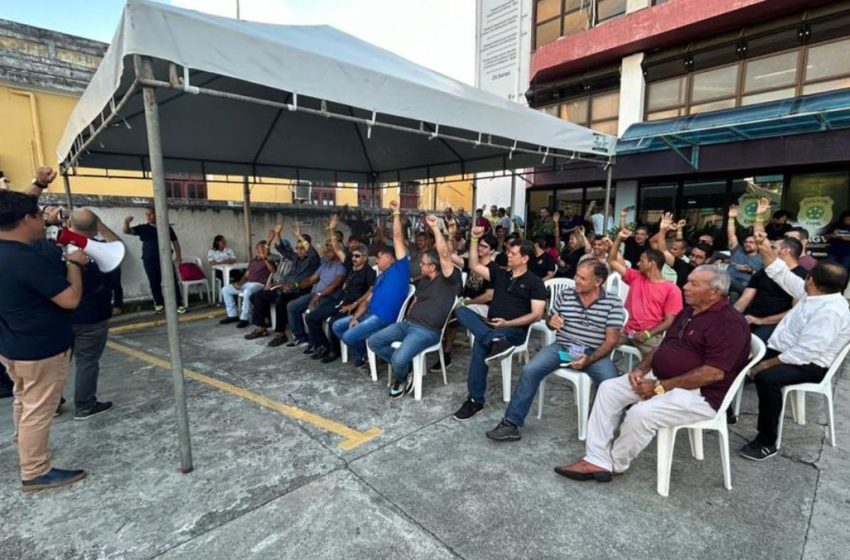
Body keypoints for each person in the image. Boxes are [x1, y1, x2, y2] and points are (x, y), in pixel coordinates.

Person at [554, 265, 750, 482]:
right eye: (688, 281)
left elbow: (713, 373)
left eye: (694, 284)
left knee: (641, 413)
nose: (685, 287)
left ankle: (614, 464)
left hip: (700, 395)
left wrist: (660, 386)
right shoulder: (689, 311)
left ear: (715, 292)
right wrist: (641, 369)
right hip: (662, 380)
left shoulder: (730, 323)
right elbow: (664, 347)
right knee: (609, 388)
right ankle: (596, 457)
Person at [0, 186, 89, 492]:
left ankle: (26, 447)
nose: (43, 220)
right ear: (26, 219)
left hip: (12, 344)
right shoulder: (24, 259)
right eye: (39, 215)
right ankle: (36, 470)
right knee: (39, 408)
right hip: (40, 348)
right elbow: (70, 299)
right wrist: (75, 264)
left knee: (24, 401)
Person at [739, 231, 850, 461]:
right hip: (787, 351)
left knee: (766, 378)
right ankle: (724, 412)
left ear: (812, 279)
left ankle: (767, 441)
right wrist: (763, 245)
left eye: (807, 276)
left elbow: (805, 353)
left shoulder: (831, 311)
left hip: (812, 364)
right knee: (737, 358)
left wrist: (764, 365)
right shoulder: (814, 294)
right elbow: (780, 272)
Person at [486, 260, 624, 440]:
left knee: (610, 383)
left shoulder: (612, 303)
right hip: (564, 349)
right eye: (576, 275)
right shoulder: (566, 295)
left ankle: (603, 432)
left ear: (597, 282)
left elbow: (611, 340)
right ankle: (511, 423)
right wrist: (552, 322)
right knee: (530, 370)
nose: (576, 280)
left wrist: (588, 360)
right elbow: (551, 321)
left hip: (595, 353)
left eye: (582, 278)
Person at [452, 230, 547, 421]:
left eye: (513, 254)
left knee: (480, 345)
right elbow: (473, 264)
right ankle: (492, 339)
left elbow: (536, 315)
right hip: (491, 327)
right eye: (508, 253)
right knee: (461, 310)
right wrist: (474, 239)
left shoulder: (535, 283)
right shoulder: (501, 274)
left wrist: (507, 323)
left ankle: (474, 400)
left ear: (525, 258)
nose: (508, 256)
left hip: (513, 330)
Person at [368, 205, 462, 398]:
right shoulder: (425, 280)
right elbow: (416, 300)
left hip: (427, 331)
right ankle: (406, 367)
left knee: (399, 357)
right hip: (408, 324)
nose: (420, 265)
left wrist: (435, 228)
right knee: (373, 341)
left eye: (424, 263)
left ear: (434, 266)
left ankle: (400, 377)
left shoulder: (450, 279)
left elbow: (444, 255)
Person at [331, 223, 410, 369]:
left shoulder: (400, 270)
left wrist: (396, 214)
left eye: (379, 257)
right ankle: (363, 354)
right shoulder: (380, 277)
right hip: (368, 315)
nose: (377, 260)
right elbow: (366, 300)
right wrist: (355, 318)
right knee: (336, 326)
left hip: (382, 318)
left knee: (348, 336)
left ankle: (401, 360)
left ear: (391, 259)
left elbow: (398, 238)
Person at [68, 208, 122, 420]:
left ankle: (52, 404)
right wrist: (99, 226)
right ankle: (84, 405)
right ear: (94, 226)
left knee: (58, 363)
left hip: (61, 315)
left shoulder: (53, 245)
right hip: (91, 316)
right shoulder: (98, 249)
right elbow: (119, 249)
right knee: (87, 362)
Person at [609, 228, 682, 356]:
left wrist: (648, 333)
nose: (637, 263)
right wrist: (619, 239)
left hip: (650, 336)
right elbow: (612, 261)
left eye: (642, 261)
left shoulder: (672, 289)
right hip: (626, 331)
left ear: (652, 264)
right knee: (601, 346)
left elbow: (669, 321)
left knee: (658, 362)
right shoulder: (635, 276)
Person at [431, 230, 497, 372]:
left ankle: (445, 352)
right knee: (442, 309)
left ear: (492, 251)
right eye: (480, 245)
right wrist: (450, 236)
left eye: (484, 246)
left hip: (483, 307)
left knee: (453, 314)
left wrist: (467, 303)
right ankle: (443, 351)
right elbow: (449, 255)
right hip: (465, 302)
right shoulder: (473, 263)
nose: (480, 248)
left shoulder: (493, 269)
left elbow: (488, 296)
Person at [244, 222, 319, 344]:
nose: (298, 251)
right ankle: (261, 328)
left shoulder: (313, 260)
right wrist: (278, 234)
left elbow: (312, 251)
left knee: (281, 300)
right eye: (297, 248)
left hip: (299, 291)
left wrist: (299, 237)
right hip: (283, 288)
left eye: (302, 248)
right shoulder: (295, 258)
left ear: (307, 249)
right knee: (257, 296)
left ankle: (280, 333)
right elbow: (282, 250)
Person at [308, 231, 376, 364]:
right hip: (339, 302)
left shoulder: (369, 272)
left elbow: (371, 291)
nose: (354, 258)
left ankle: (335, 351)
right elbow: (337, 249)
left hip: (352, 306)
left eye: (357, 256)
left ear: (365, 258)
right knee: (311, 317)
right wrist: (332, 229)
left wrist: (355, 304)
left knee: (333, 322)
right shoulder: (351, 267)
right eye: (353, 256)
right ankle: (323, 346)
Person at [734, 236, 806, 343]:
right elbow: (744, 299)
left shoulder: (803, 277)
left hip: (777, 322)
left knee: (752, 343)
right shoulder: (762, 272)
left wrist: (761, 321)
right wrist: (730, 317)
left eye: (773, 247)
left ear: (785, 251)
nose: (768, 250)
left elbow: (794, 312)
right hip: (750, 317)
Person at [284, 238, 348, 354]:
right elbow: (311, 280)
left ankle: (319, 344)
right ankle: (301, 337)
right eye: (327, 247)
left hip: (329, 297)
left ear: (338, 250)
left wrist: (319, 294)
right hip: (315, 294)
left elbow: (335, 285)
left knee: (311, 313)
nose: (327, 250)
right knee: (292, 306)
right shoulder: (325, 265)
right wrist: (295, 285)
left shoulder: (341, 267)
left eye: (330, 248)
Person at [123, 208, 186, 313]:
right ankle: (159, 304)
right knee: (154, 282)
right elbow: (127, 231)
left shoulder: (166, 228)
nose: (148, 216)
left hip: (165, 260)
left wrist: (178, 257)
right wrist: (126, 222)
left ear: (157, 215)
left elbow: (175, 242)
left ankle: (179, 304)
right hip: (149, 260)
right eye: (147, 214)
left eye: (151, 214)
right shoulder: (143, 228)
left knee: (172, 282)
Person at [219, 240, 276, 328]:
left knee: (247, 292)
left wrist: (265, 259)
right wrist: (239, 284)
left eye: (263, 248)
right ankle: (232, 315)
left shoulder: (270, 259)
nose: (260, 250)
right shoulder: (253, 261)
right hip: (248, 283)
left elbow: (273, 271)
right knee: (225, 289)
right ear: (256, 249)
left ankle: (244, 318)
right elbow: (246, 276)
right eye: (259, 248)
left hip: (259, 284)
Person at [650, 214, 691, 291]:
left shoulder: (687, 262)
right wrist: (665, 229)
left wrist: (678, 229)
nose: (671, 251)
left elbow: (680, 242)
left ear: (683, 251)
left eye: (675, 249)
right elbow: (653, 242)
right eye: (671, 248)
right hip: (659, 289)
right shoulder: (667, 256)